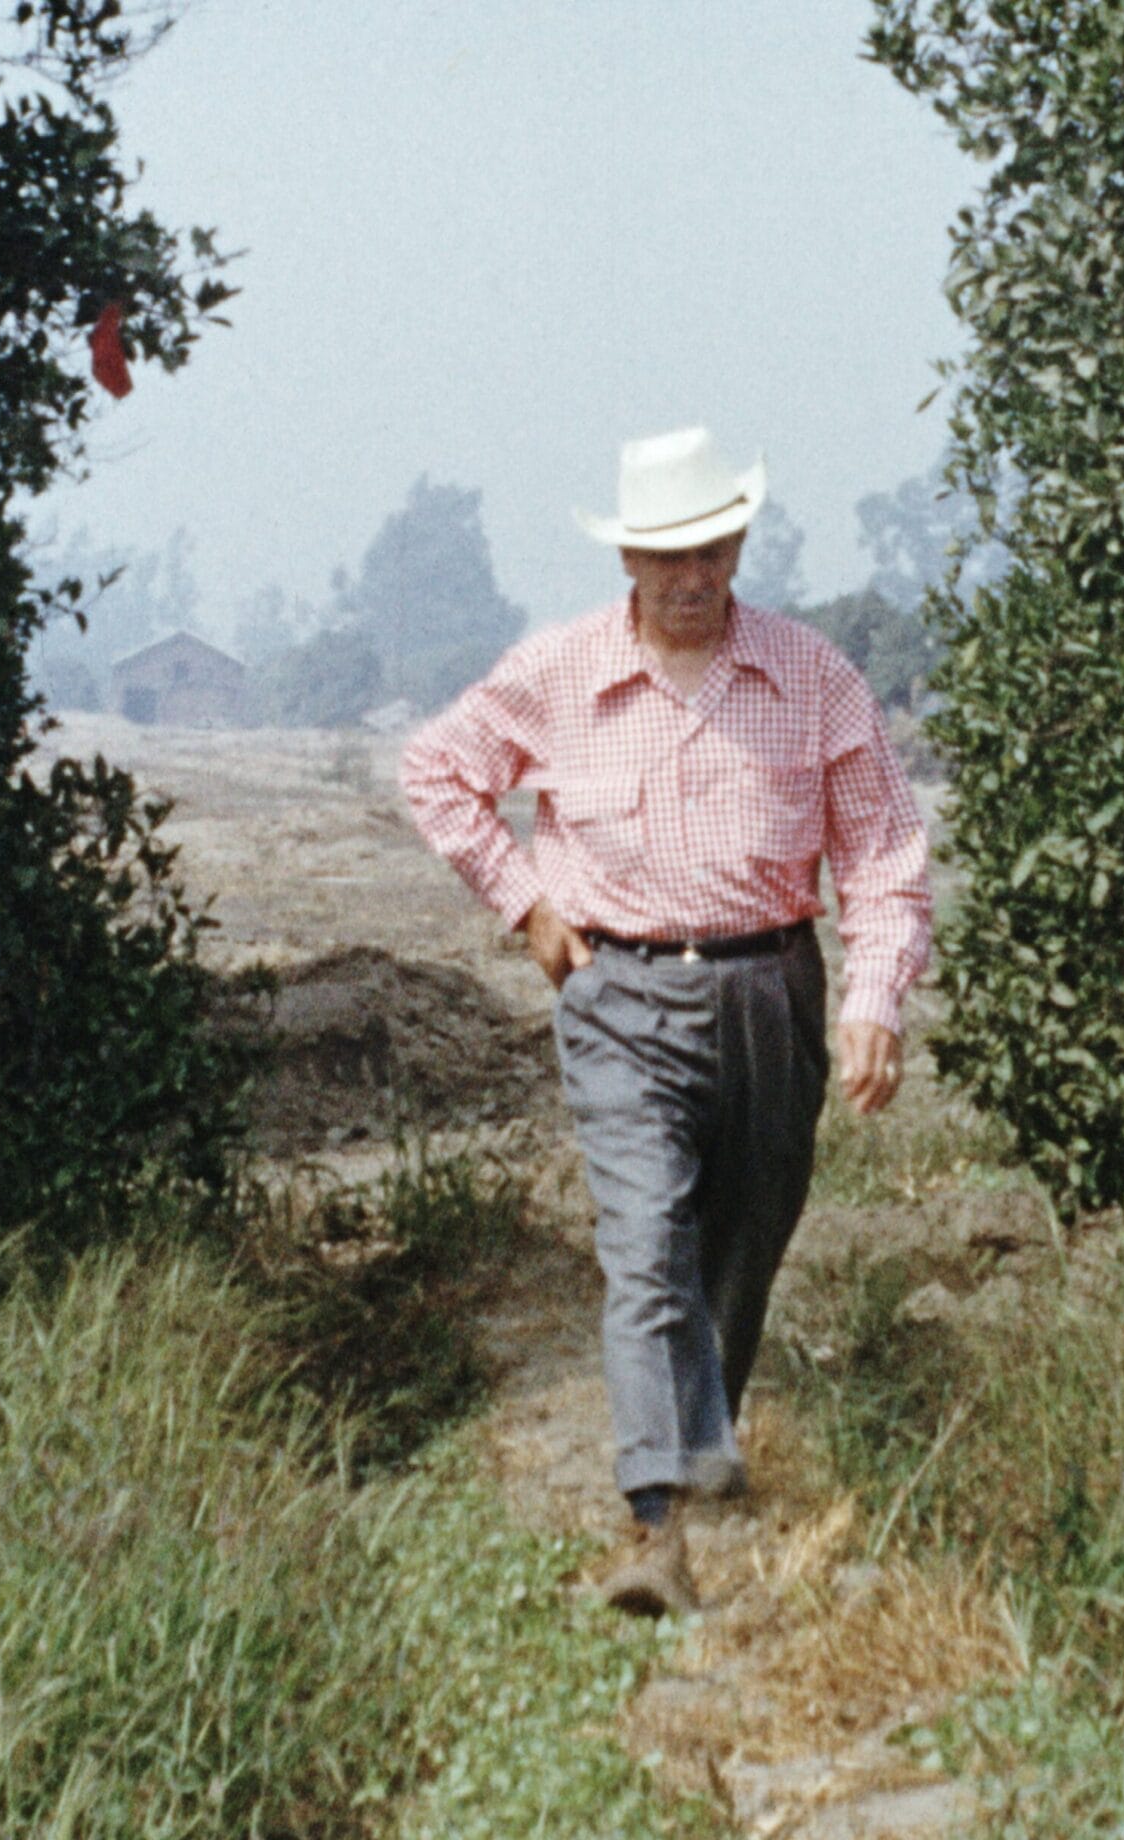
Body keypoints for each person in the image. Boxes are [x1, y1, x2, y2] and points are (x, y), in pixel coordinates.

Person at [401, 426, 933, 1616]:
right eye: (665, 554)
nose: (690, 575)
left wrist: (872, 997)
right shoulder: (556, 671)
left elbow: (885, 852)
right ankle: (658, 1524)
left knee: (741, 1246)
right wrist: (526, 903)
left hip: (769, 992)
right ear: (628, 557)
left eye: (710, 549)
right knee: (645, 1245)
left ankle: (700, 1444)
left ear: (739, 543)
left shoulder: (816, 678)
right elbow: (435, 768)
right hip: (620, 997)